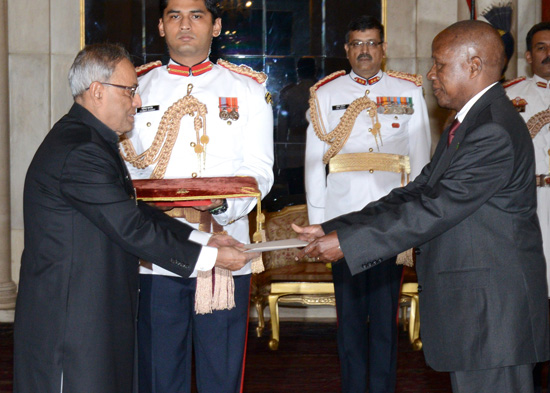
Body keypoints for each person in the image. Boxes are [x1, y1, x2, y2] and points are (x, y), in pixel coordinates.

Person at [295, 20, 550, 393]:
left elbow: (436, 209)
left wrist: (348, 243)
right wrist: (338, 225)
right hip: (478, 312)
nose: (430, 74)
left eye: (439, 64)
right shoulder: (469, 121)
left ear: (474, 66)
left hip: (492, 316)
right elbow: (418, 190)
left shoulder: (491, 129)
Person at [13, 43, 256, 393]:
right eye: (129, 91)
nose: (137, 101)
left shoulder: (90, 140)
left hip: (93, 312)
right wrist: (213, 258)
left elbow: (133, 210)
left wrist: (206, 239)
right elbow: (131, 227)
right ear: (97, 92)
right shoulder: (80, 149)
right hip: (71, 324)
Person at [119, 0, 274, 392]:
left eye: (196, 15)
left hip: (223, 250)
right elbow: (125, 169)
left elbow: (260, 170)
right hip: (156, 253)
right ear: (160, 26)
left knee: (220, 374)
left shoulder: (247, 89)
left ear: (216, 26)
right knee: (158, 373)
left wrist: (220, 205)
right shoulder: (137, 88)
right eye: (174, 15)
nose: (184, 24)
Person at [304, 15, 431, 393]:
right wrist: (319, 224)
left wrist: (416, 221)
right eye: (357, 44)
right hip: (343, 220)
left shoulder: (407, 92)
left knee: (385, 318)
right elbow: (315, 165)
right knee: (350, 320)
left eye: (372, 43)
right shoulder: (325, 94)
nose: (364, 51)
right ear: (346, 50)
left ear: (383, 49)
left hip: (392, 220)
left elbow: (421, 161)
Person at [503, 21, 550, 393]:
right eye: (540, 46)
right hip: (531, 208)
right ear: (529, 55)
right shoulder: (509, 95)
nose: (548, 52)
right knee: (532, 306)